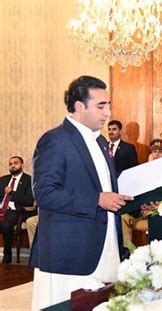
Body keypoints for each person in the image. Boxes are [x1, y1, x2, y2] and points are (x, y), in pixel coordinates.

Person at [30, 75, 133, 309]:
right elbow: (44, 193)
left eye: (108, 105)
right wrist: (97, 200)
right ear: (79, 106)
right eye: (101, 106)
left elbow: (106, 191)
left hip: (105, 248)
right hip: (68, 255)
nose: (108, 113)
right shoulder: (55, 140)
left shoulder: (100, 142)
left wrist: (134, 201)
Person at [121, 138, 162, 248]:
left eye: (161, 151)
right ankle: (127, 251)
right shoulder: (143, 172)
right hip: (141, 210)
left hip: (161, 209)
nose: (157, 154)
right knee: (121, 215)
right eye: (154, 151)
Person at [0, 156, 34, 264]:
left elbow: (28, 200)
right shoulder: (3, 179)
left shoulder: (28, 180)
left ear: (22, 165)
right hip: (1, 208)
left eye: (15, 163)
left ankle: (7, 254)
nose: (12, 166)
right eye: (10, 164)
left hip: (17, 211)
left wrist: (11, 193)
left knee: (5, 225)